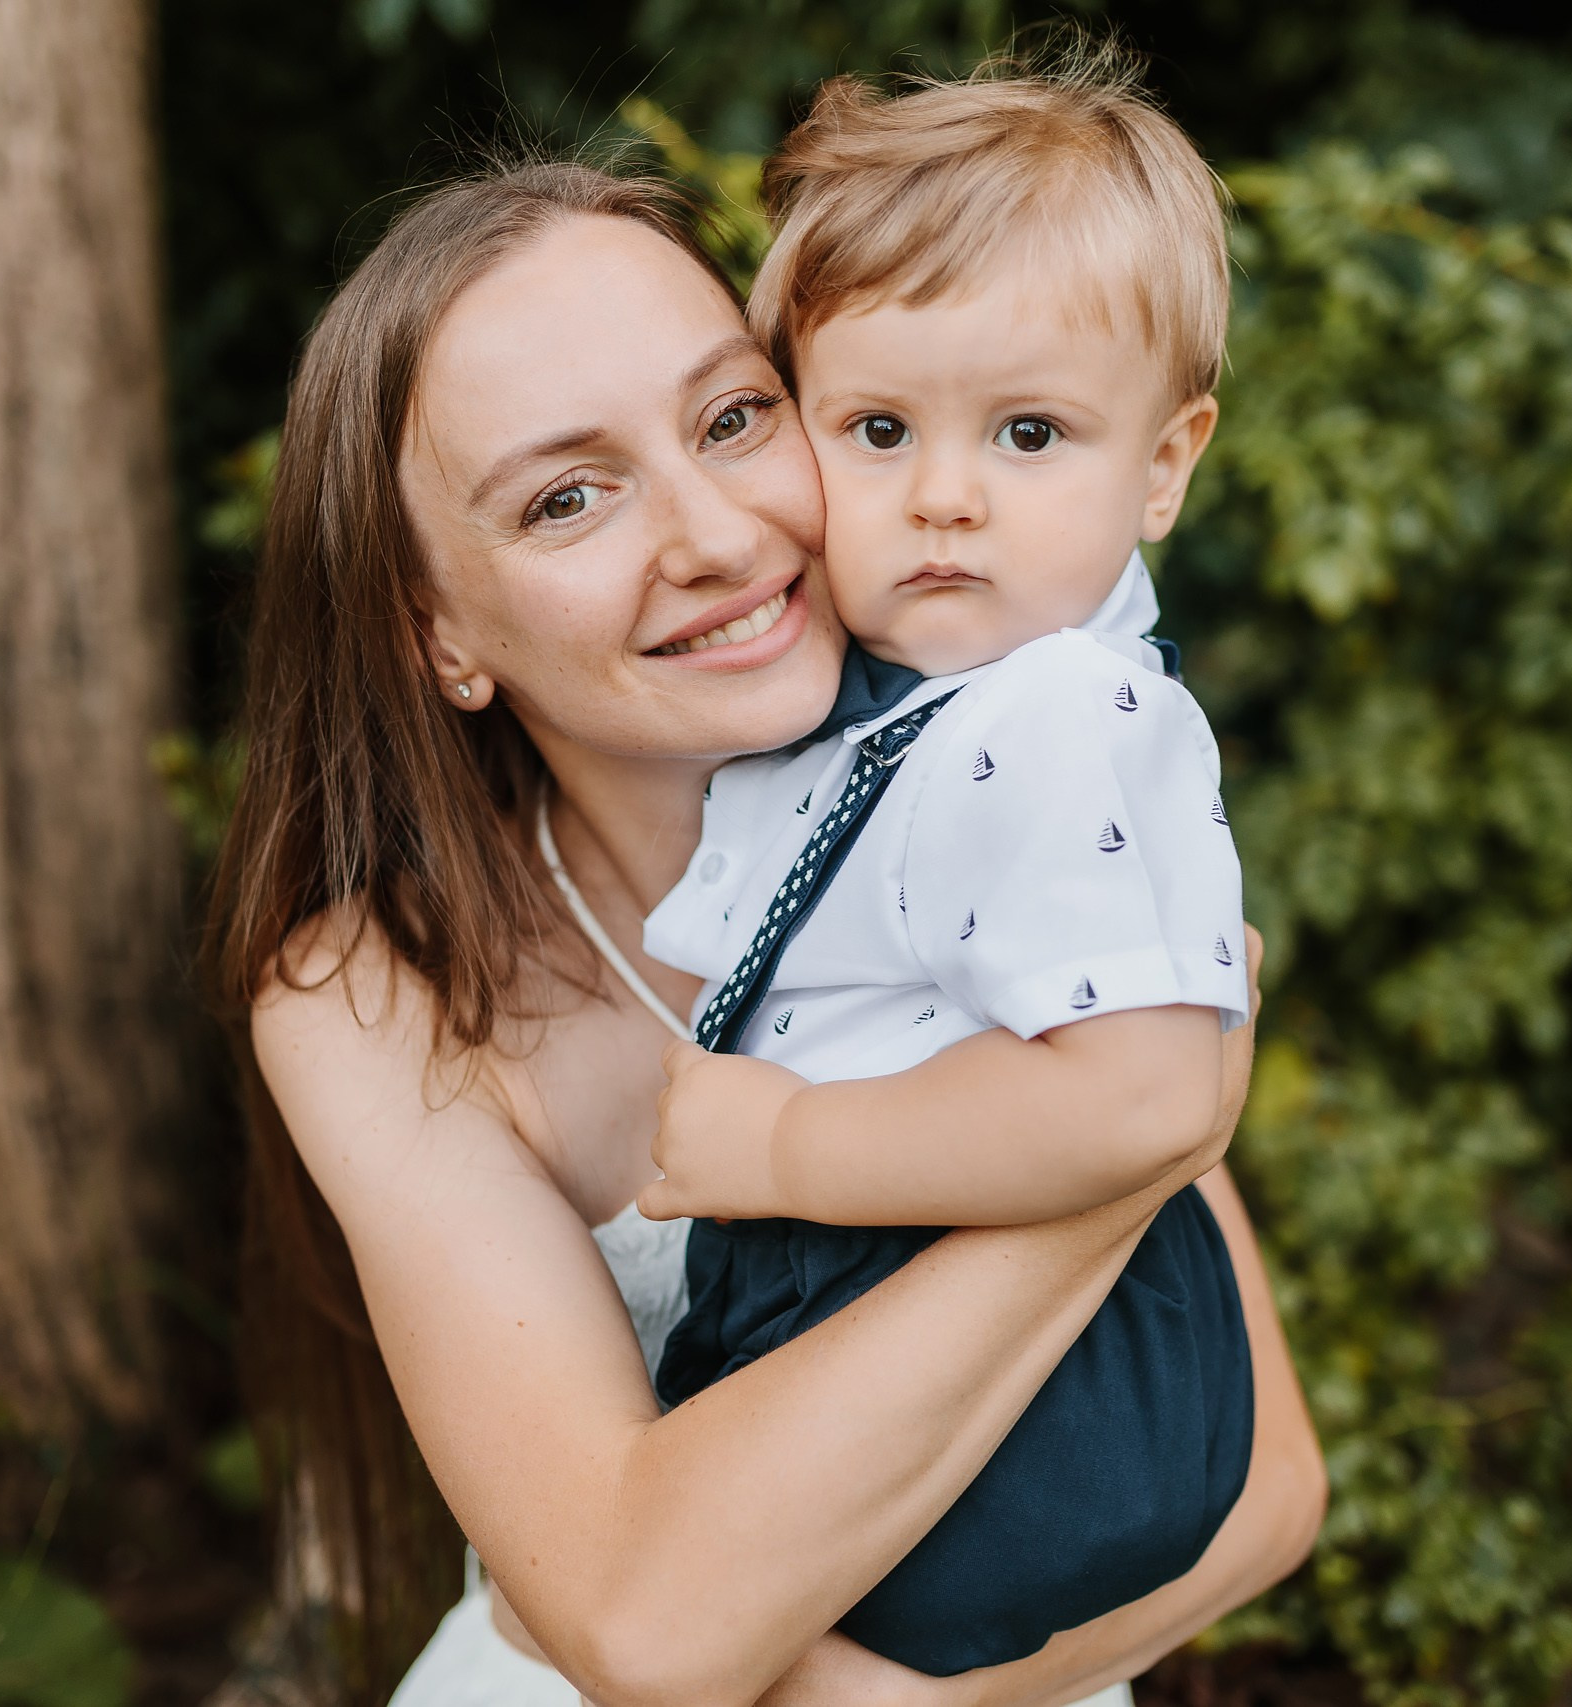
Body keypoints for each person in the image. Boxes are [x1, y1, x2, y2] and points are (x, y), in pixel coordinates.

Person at [207, 154, 1325, 1707]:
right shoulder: (370, 990)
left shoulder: (1010, 780)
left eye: (734, 418)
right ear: (436, 630)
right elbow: (644, 1624)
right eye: (568, 497)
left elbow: (1270, 1486)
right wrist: (1122, 1155)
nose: (717, 535)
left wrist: (899, 1706)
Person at [636, 59, 1257, 1676]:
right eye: (878, 429)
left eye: (1030, 432)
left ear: (1165, 465)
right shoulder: (924, 707)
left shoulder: (1060, 713)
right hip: (896, 1304)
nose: (945, 497)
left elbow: (1141, 1101)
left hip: (1018, 1372)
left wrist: (785, 1142)